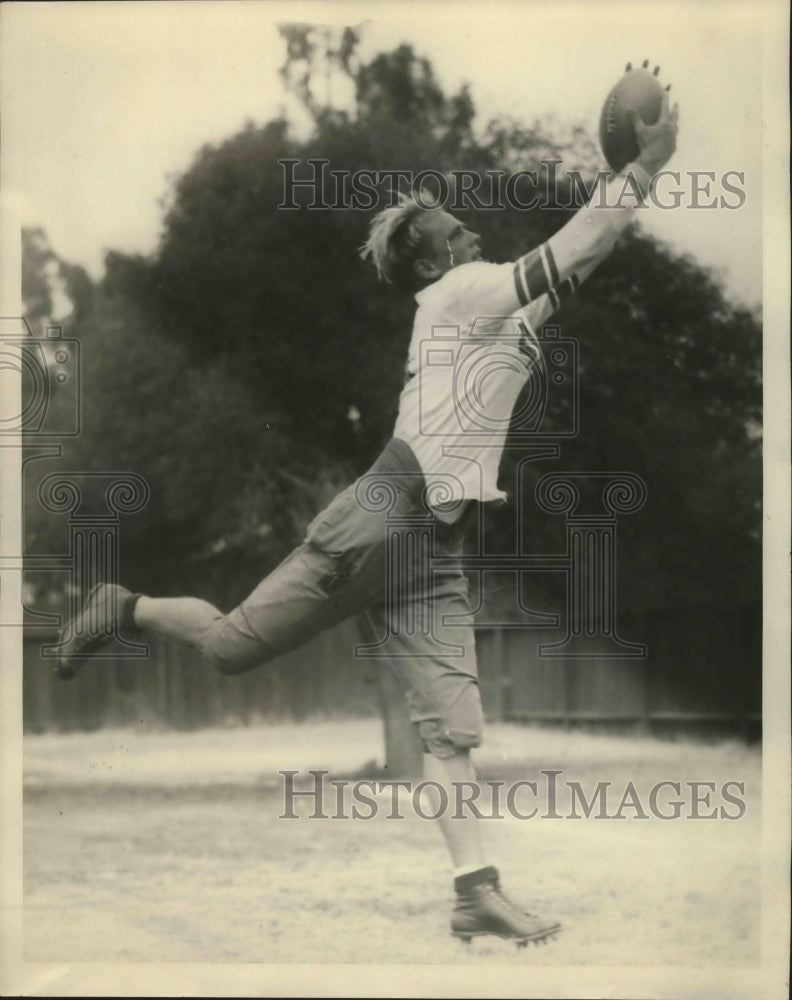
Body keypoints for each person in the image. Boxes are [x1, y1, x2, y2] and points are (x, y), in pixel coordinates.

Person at [56, 95, 678, 946]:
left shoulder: (491, 309)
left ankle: (475, 893)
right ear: (432, 265)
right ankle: (122, 605)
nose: (472, 242)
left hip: (437, 543)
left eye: (468, 235)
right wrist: (641, 168)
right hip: (389, 511)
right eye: (456, 236)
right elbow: (566, 250)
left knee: (452, 732)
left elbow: (581, 258)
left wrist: (629, 185)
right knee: (234, 649)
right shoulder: (458, 296)